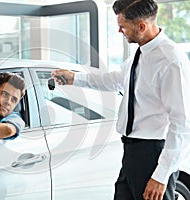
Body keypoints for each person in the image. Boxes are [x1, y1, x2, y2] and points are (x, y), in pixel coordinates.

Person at [52, 0, 190, 199]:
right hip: (131, 153)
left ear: (141, 26)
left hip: (153, 153)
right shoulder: (141, 53)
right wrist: (74, 78)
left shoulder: (171, 61)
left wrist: (161, 176)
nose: (119, 31)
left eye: (123, 26)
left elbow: (182, 123)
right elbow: (115, 80)